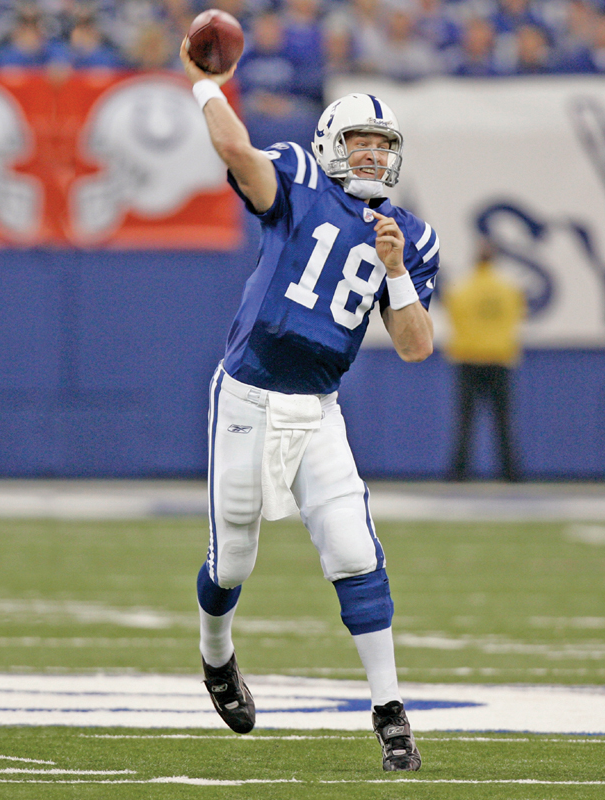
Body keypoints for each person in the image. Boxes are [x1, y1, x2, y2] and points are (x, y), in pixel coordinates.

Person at [180, 38, 439, 772]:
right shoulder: (295, 178)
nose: (368, 156)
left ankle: (389, 711)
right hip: (248, 391)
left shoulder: (408, 237)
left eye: (379, 145)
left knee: (354, 549)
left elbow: (416, 345)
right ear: (329, 142)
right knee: (231, 560)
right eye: (357, 142)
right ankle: (216, 655)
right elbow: (237, 152)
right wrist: (204, 85)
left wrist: (393, 272)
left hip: (316, 406)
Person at [444, 240, 526, 481]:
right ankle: (511, 473)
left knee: (464, 421)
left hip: (468, 358)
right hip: (499, 359)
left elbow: (454, 318)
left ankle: (458, 473)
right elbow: (516, 318)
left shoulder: (462, 289)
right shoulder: (508, 290)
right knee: (503, 421)